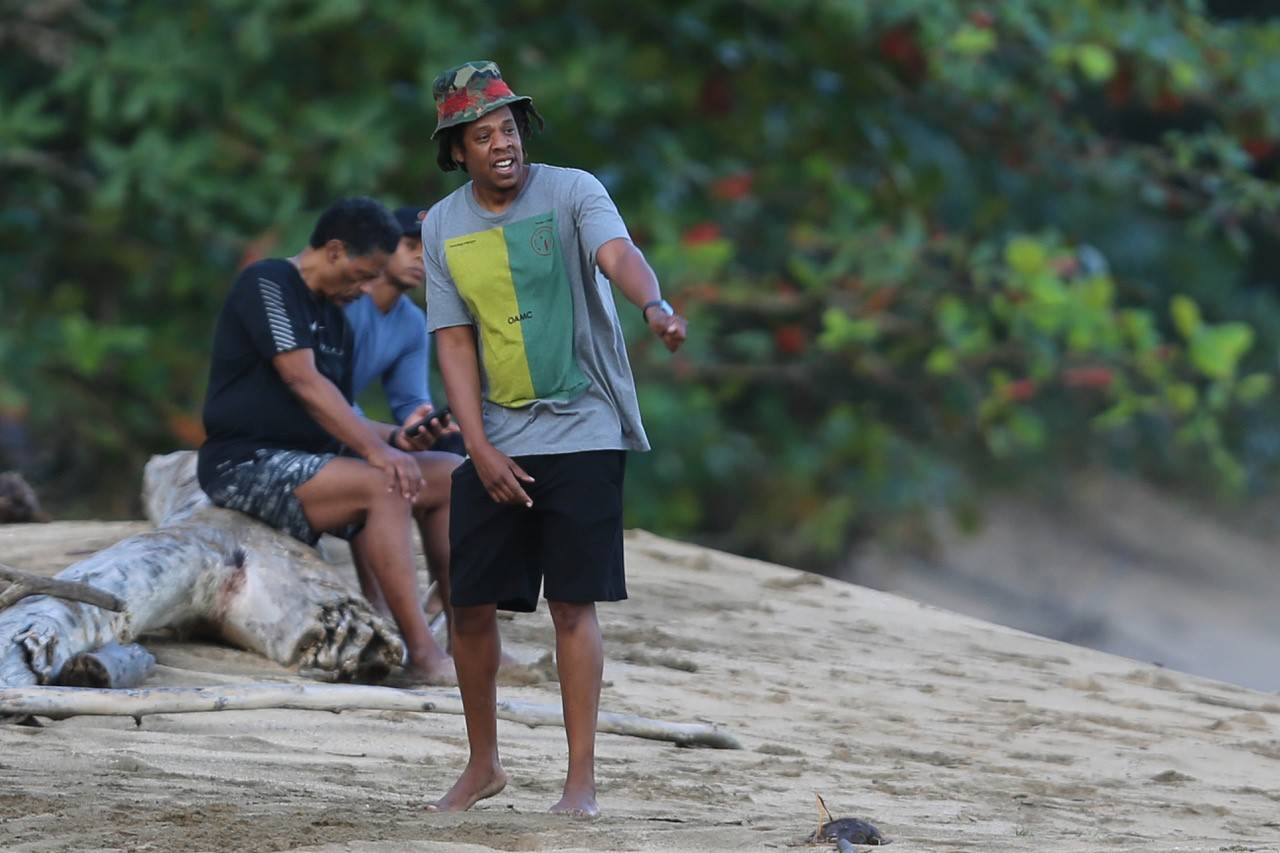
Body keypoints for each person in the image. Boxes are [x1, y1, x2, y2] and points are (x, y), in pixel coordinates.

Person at [422, 61, 687, 817]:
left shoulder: (573, 190)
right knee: (470, 602)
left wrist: (655, 304)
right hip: (496, 434)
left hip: (582, 426)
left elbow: (618, 254)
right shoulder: (441, 226)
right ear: (457, 150)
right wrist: (477, 446)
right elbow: (455, 342)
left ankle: (580, 781)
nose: (501, 143)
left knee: (573, 604)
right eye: (483, 134)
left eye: (508, 127)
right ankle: (484, 763)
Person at [197, 197, 457, 686]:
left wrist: (401, 437)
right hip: (245, 463)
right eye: (361, 275)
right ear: (334, 251)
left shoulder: (335, 315)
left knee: (449, 474)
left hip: (313, 458)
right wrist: (379, 451)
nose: (363, 290)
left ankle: (465, 635)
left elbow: (338, 411)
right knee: (383, 483)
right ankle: (421, 654)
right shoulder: (269, 283)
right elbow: (303, 382)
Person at [344, 204, 464, 626]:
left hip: (361, 429)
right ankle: (377, 608)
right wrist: (394, 435)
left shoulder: (412, 322)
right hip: (321, 432)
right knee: (377, 462)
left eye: (427, 251)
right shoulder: (345, 303)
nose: (419, 258)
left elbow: (410, 399)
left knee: (456, 456)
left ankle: (453, 611)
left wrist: (424, 421)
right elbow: (326, 397)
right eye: (409, 246)